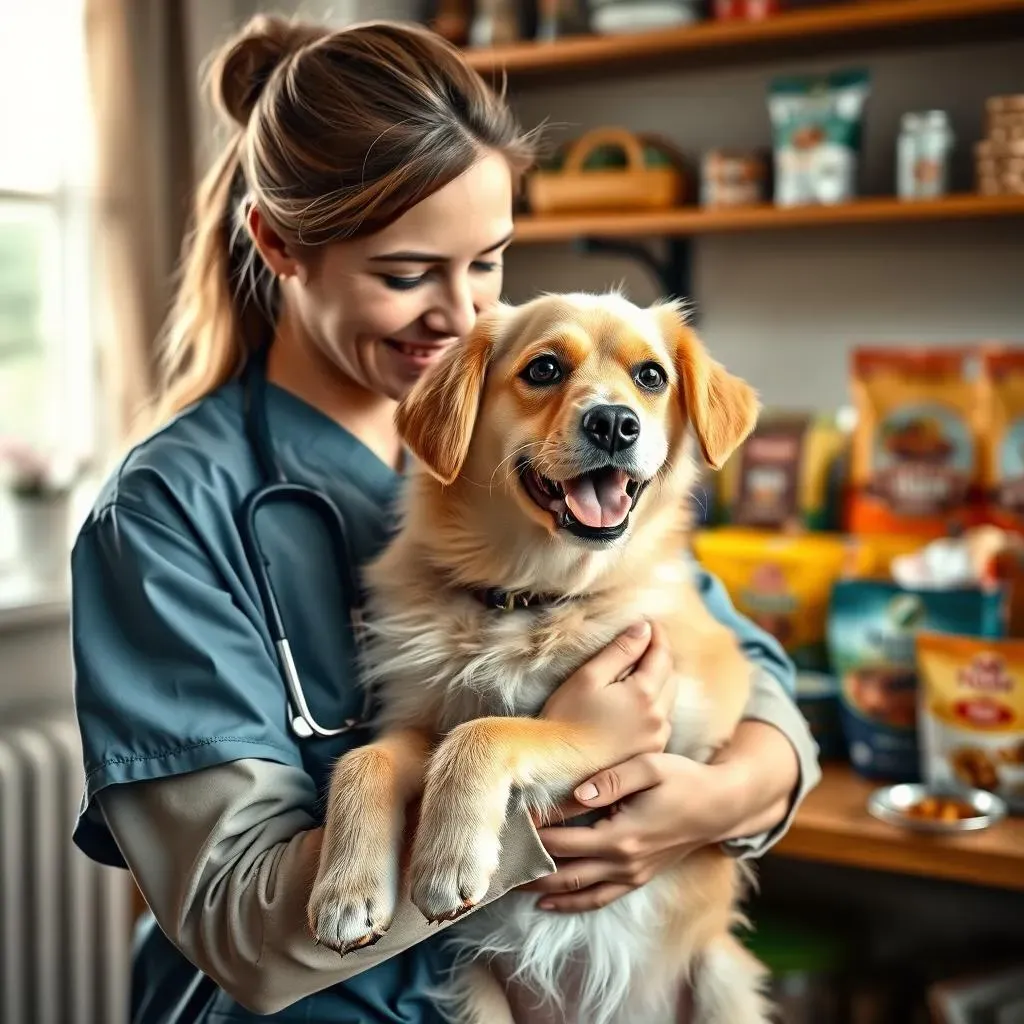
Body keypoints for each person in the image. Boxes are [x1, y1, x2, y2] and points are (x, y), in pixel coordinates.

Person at [69, 14, 821, 1024]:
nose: (462, 314)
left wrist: (722, 798)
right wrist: (544, 798)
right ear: (277, 243)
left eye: (488, 261)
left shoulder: (533, 453)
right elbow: (232, 919)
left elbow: (744, 670)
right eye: (405, 273)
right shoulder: (167, 513)